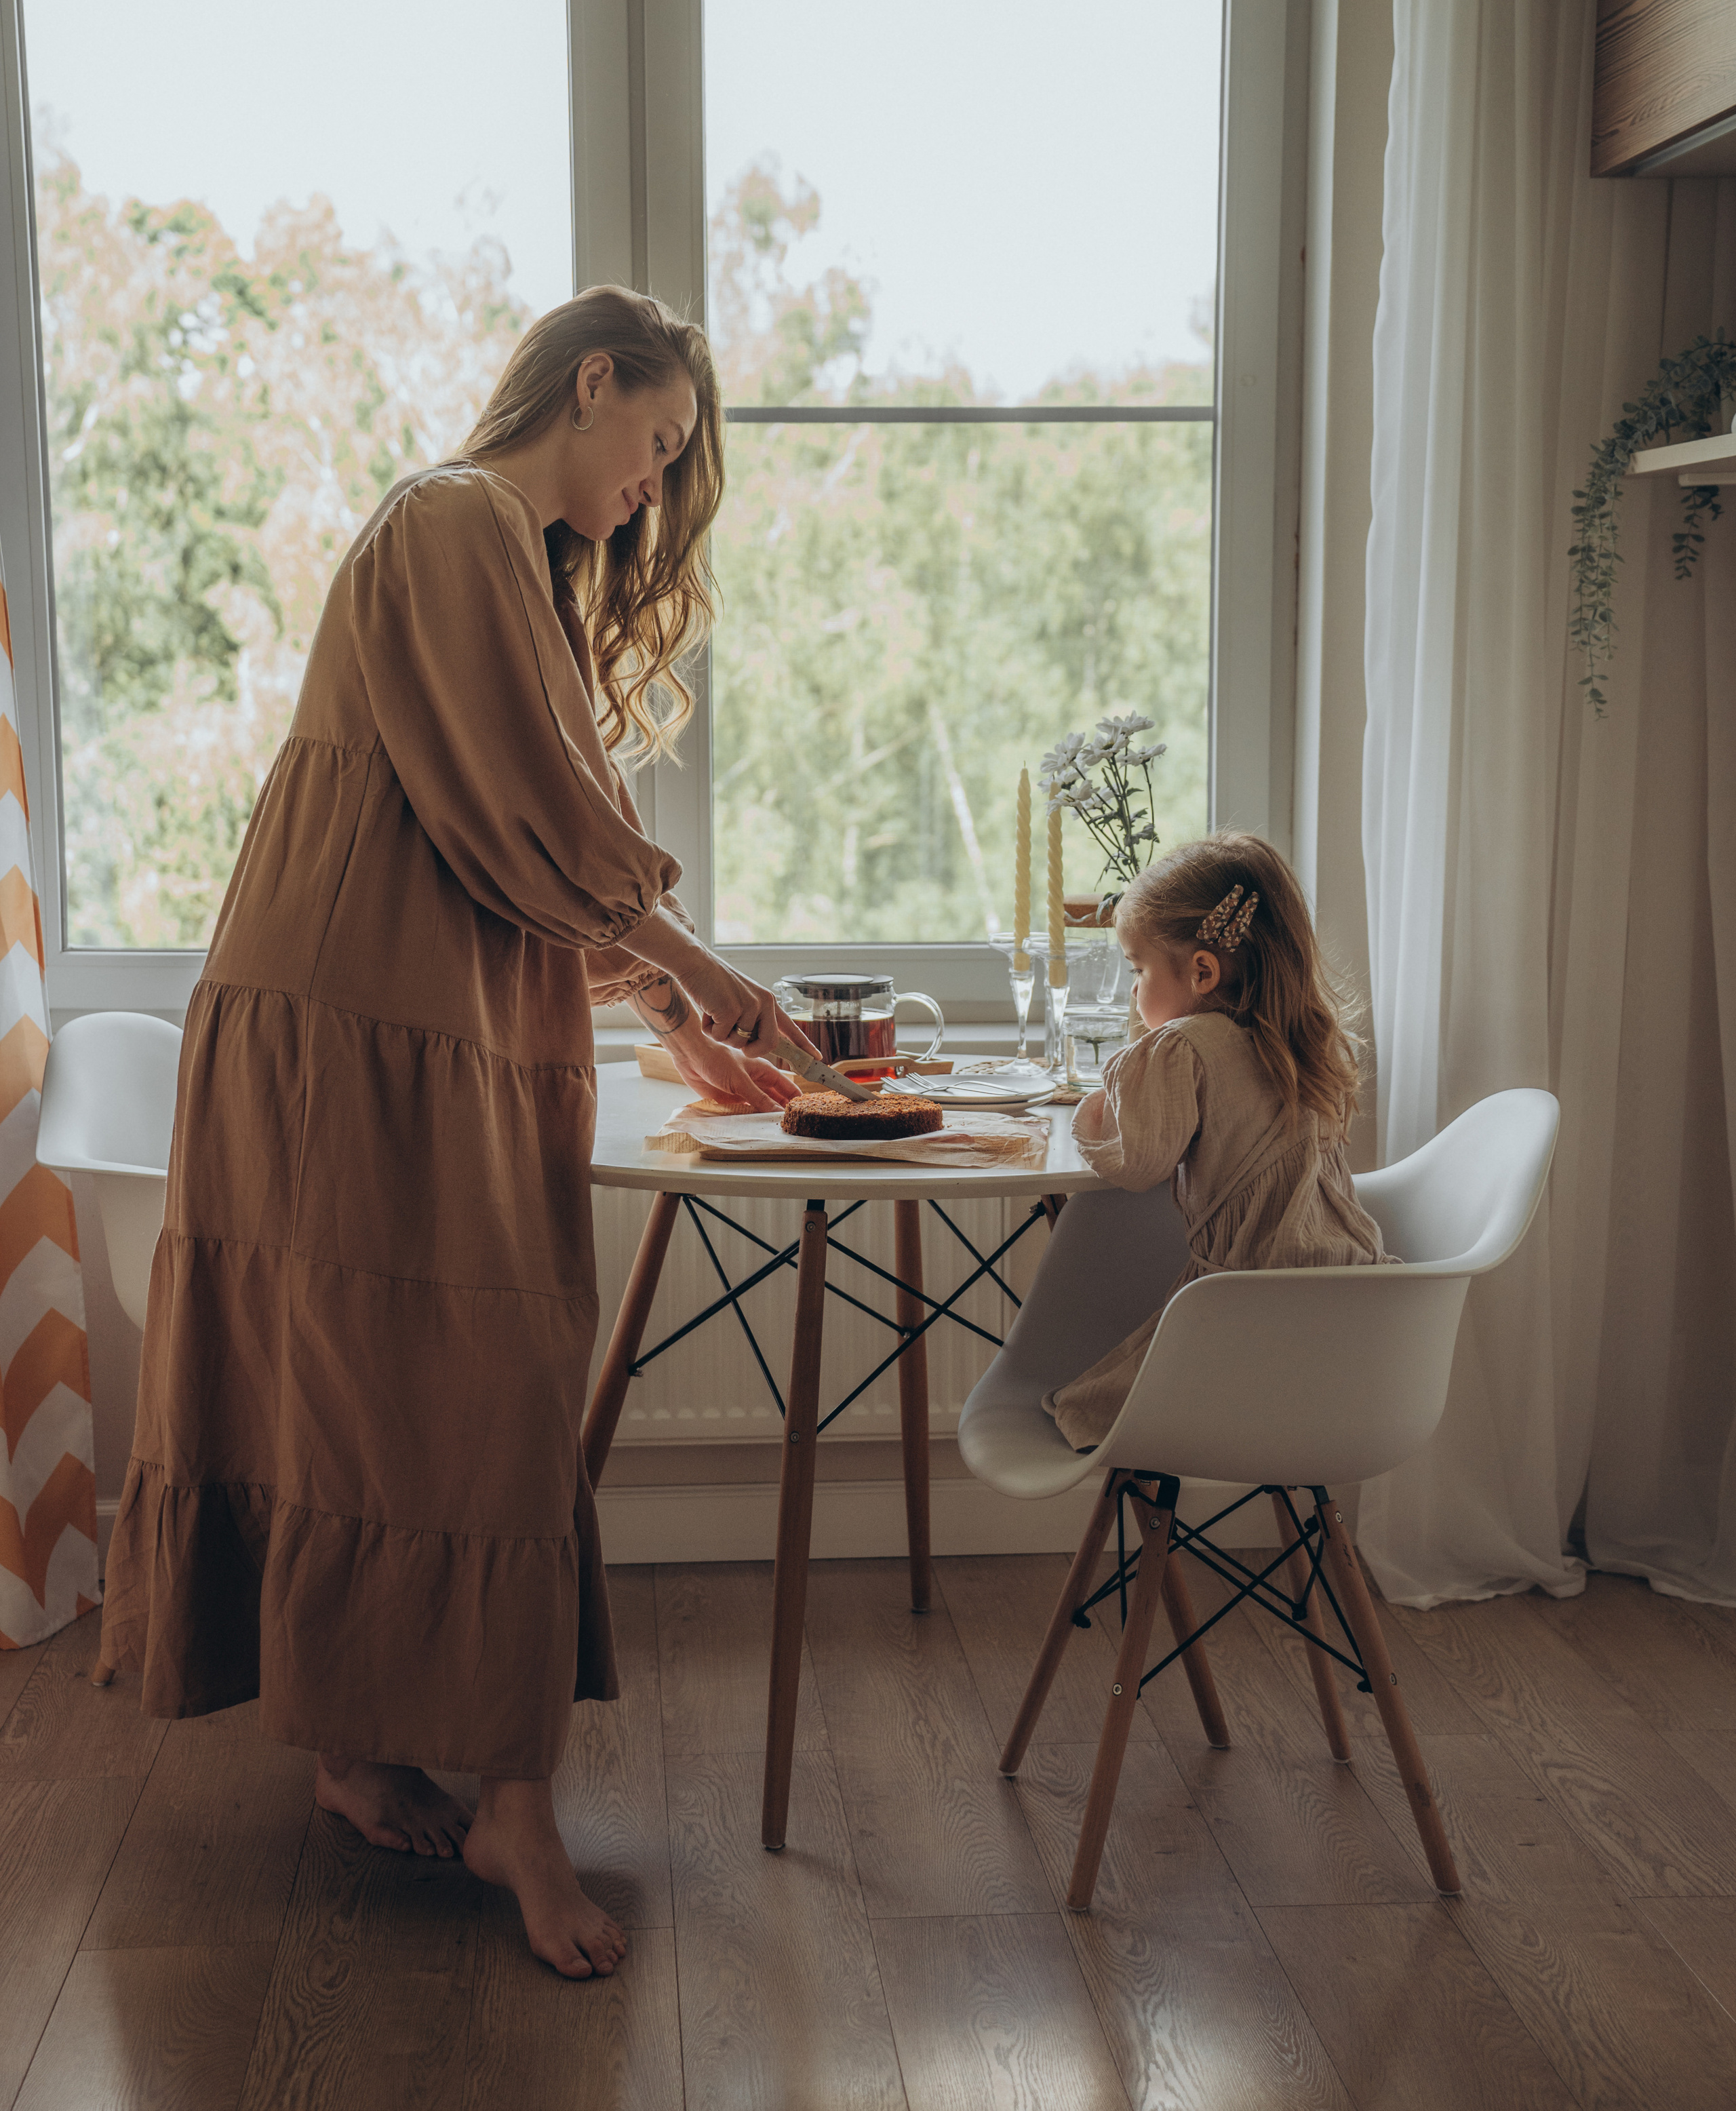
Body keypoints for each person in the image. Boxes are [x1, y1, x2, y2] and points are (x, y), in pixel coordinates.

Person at [98, 286, 814, 1981]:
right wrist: (710, 981)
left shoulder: (504, 559)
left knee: (399, 1382)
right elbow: (532, 814)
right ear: (591, 385)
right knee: (434, 1387)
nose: (651, 488)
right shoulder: (451, 516)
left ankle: (371, 1753)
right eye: (656, 444)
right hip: (352, 1029)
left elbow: (502, 844)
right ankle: (507, 1805)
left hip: (411, 1014)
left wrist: (664, 1019)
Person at [1046, 831, 1394, 1449]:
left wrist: (1101, 1100)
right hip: (1354, 1311)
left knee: (1090, 1405)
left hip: (1244, 1315)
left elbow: (1138, 1164)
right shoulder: (1296, 1042)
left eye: (1138, 969)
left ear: (1202, 971)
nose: (1134, 989)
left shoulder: (1185, 1047)